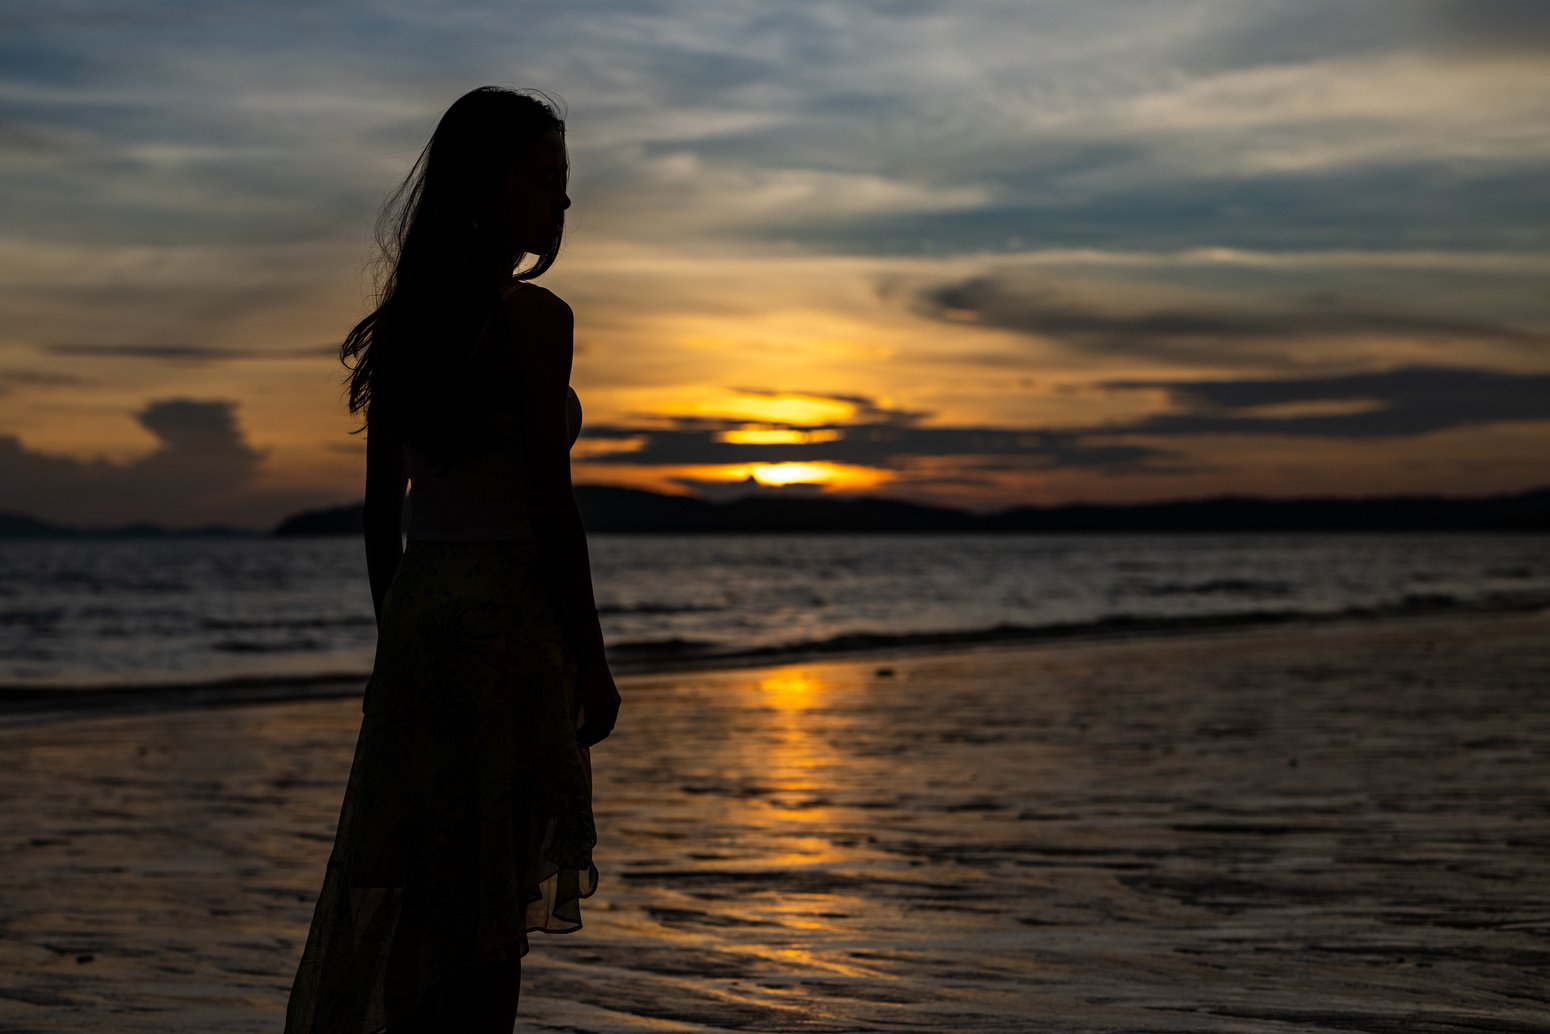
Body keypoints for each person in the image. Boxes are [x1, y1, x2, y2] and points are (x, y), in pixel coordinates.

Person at [284, 86, 622, 1034]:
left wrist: (394, 633)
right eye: (546, 178)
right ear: (487, 188)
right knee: (490, 904)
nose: (563, 202)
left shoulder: (408, 324)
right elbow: (552, 509)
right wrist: (590, 658)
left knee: (420, 883)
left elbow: (378, 511)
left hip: (424, 612)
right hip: (508, 620)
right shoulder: (532, 319)